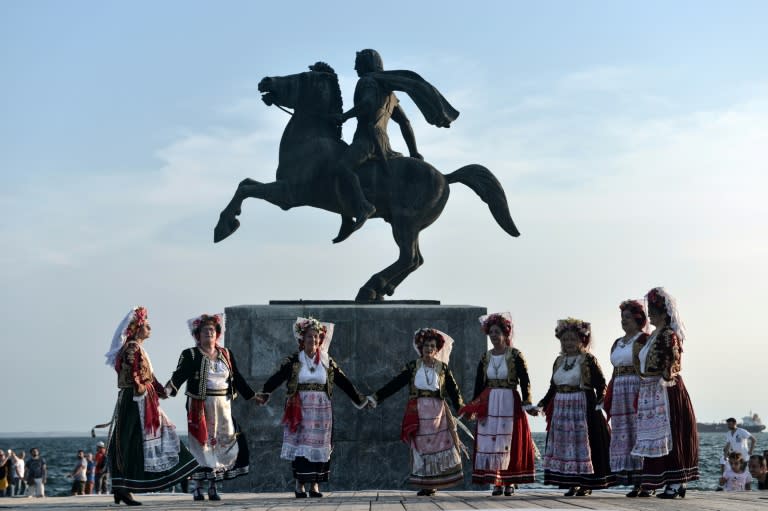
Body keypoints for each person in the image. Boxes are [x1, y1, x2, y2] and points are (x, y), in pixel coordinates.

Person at [331, 48, 459, 243]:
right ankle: (347, 219)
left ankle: (362, 207)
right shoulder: (389, 94)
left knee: (341, 167)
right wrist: (413, 150)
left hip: (367, 140)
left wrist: (344, 116)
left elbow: (366, 105)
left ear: (367, 64)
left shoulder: (367, 82)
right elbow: (405, 122)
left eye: (358, 63)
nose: (355, 67)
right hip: (383, 142)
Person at [254, 317, 366, 498]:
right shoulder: (295, 360)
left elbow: (343, 381)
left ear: (320, 340)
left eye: (316, 337)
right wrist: (264, 392)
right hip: (300, 407)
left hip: (322, 409)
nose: (312, 340)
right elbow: (278, 376)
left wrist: (360, 399)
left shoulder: (326, 361)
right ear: (302, 339)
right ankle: (299, 484)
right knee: (301, 445)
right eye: (309, 337)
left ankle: (315, 485)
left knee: (320, 445)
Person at [104, 306, 198, 506]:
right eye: (147, 325)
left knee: (137, 439)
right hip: (134, 399)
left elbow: (147, 375)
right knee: (128, 439)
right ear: (137, 329)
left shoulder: (138, 348)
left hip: (142, 398)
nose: (150, 328)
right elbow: (133, 373)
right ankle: (122, 486)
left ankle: (123, 486)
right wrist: (143, 388)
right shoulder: (132, 348)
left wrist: (160, 390)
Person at [166, 313, 256, 501]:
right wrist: (168, 389)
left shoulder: (226, 354)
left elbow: (237, 377)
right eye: (205, 330)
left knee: (222, 444)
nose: (209, 333)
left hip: (223, 405)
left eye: (212, 330)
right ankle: (198, 487)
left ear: (217, 334)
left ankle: (214, 486)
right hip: (200, 405)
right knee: (201, 445)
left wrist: (253, 395)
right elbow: (179, 375)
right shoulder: (190, 354)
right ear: (198, 335)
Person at [368, 328, 466, 497]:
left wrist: (463, 409)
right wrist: (376, 397)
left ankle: (434, 483)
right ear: (421, 348)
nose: (429, 348)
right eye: (426, 345)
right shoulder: (413, 367)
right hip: (419, 411)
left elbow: (453, 390)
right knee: (421, 447)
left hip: (437, 412)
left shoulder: (442, 368)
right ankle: (425, 483)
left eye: (432, 346)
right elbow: (395, 384)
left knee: (436, 447)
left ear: (437, 350)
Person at [631, 287, 699, 498]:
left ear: (663, 311)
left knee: (670, 433)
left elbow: (672, 363)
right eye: (650, 309)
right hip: (650, 391)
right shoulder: (652, 336)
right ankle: (657, 481)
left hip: (665, 389)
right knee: (654, 436)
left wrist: (665, 377)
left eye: (654, 309)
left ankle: (677, 482)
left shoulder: (669, 335)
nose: (650, 313)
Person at [459, 312, 536, 496]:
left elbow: (525, 380)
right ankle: (496, 481)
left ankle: (510, 482)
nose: (494, 335)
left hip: (509, 400)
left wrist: (527, 402)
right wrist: (473, 405)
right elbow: (479, 383)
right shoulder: (486, 357)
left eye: (497, 332)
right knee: (491, 442)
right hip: (490, 401)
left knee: (508, 440)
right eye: (491, 332)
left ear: (505, 334)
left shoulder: (515, 355)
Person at [535, 318, 613, 496]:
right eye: (565, 339)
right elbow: (552, 388)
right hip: (562, 408)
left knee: (583, 445)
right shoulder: (559, 361)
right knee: (567, 446)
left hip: (582, 406)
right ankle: (572, 482)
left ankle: (586, 484)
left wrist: (601, 398)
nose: (568, 343)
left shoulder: (588, 360)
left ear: (581, 340)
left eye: (572, 339)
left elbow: (601, 384)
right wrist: (541, 405)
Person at [604, 300, 649, 497]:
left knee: (639, 433)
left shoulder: (643, 339)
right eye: (622, 318)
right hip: (620, 389)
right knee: (625, 435)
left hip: (636, 388)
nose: (624, 322)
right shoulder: (618, 342)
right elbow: (614, 370)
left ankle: (646, 481)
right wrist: (608, 393)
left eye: (628, 318)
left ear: (638, 319)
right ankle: (634, 480)